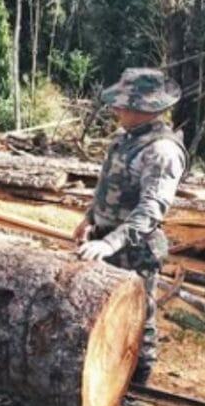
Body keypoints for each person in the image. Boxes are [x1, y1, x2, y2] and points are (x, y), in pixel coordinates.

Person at [74, 67, 187, 386]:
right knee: (98, 310)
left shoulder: (162, 151)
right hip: (104, 240)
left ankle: (139, 381)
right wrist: (90, 219)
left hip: (135, 250)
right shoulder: (124, 138)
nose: (117, 108)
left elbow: (151, 210)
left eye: (125, 104)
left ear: (147, 109)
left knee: (139, 316)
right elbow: (108, 186)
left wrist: (110, 243)